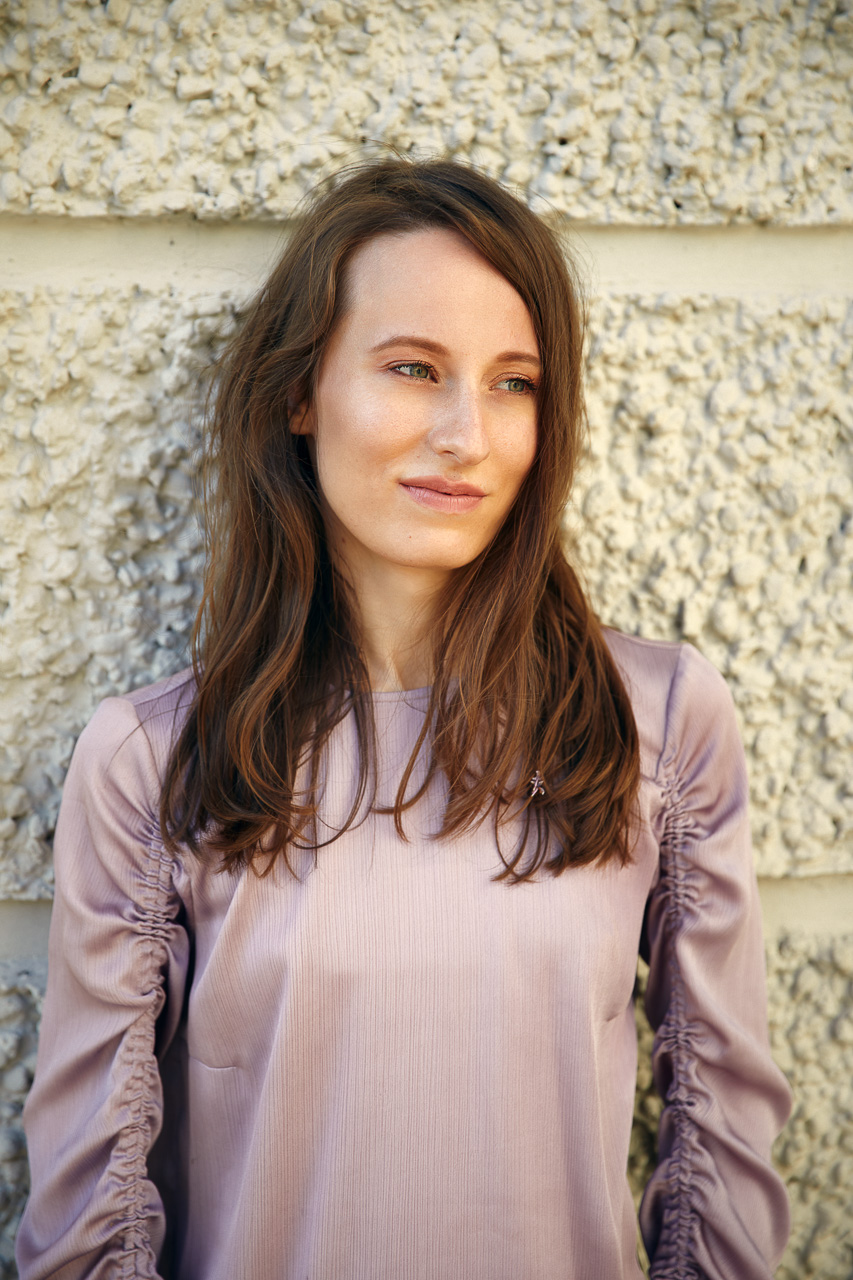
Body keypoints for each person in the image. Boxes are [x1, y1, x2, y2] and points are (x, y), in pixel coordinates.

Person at [16, 158, 792, 1280]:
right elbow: (85, 1214)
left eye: (514, 382)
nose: (466, 434)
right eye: (414, 368)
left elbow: (723, 1139)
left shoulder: (657, 723)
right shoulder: (156, 762)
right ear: (300, 391)